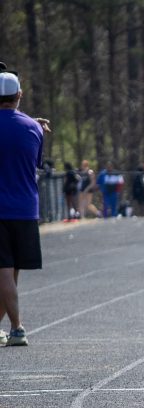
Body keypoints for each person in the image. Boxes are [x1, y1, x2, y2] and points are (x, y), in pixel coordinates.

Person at [0, 71, 44, 346]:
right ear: (19, 96)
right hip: (26, 209)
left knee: (4, 272)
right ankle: (17, 327)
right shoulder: (34, 127)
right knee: (11, 272)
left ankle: (14, 328)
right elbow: (36, 161)